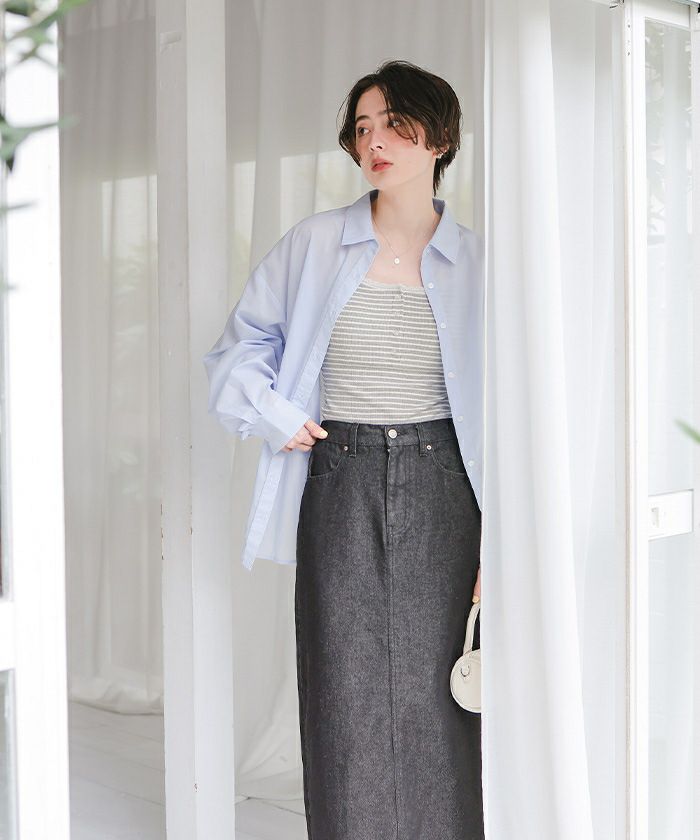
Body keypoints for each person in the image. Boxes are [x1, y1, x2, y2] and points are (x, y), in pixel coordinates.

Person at [204, 59, 484, 840]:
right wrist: (274, 413)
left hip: (446, 481)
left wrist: (500, 540)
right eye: (363, 128)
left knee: (444, 690)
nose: (375, 142)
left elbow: (512, 407)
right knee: (343, 688)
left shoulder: (480, 262)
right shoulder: (315, 244)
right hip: (341, 472)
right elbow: (238, 348)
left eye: (395, 124)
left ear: (440, 138)